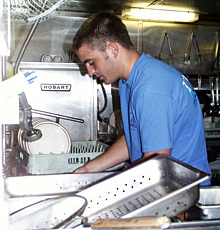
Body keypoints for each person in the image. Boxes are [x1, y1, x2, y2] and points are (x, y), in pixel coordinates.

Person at [72, 12, 211, 186]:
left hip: (181, 194)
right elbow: (138, 136)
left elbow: (157, 160)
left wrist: (108, 184)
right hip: (165, 186)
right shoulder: (128, 80)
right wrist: (89, 169)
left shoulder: (151, 88)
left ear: (113, 49)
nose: (90, 72)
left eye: (91, 62)